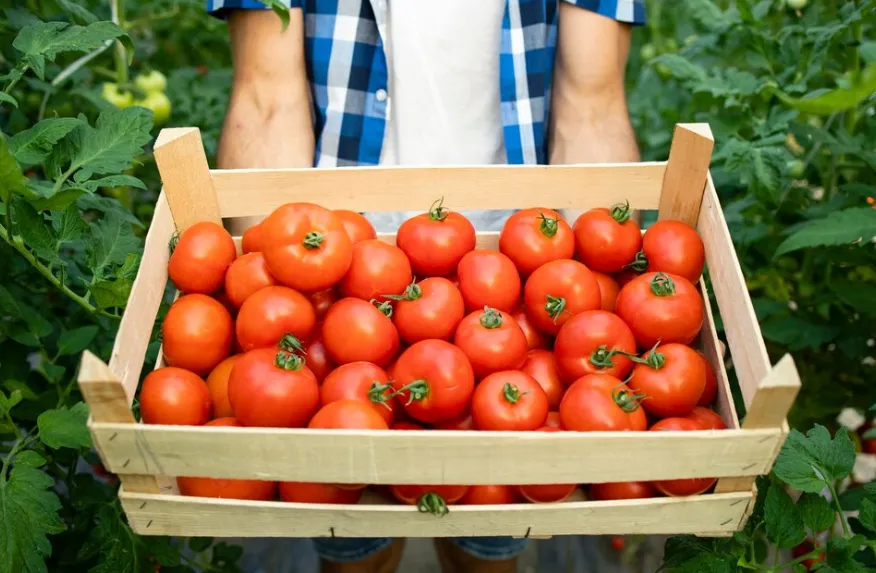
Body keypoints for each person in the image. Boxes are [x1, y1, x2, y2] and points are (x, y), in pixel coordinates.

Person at [208, 1, 644, 571]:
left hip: (508, 274)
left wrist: (587, 301)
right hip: (339, 266)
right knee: (352, 535)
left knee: (487, 543)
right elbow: (267, 99)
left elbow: (592, 105)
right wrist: (269, 296)